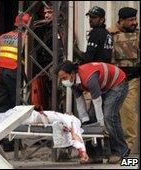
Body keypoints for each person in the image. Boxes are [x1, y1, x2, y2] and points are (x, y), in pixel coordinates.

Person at [57, 60, 130, 163]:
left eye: (64, 78)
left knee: (109, 116)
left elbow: (97, 103)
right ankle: (95, 155)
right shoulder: (73, 83)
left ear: (72, 74)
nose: (63, 81)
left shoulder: (89, 78)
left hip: (118, 84)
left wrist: (101, 125)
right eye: (61, 79)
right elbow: (80, 103)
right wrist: (85, 121)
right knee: (91, 118)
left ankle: (120, 151)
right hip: (104, 87)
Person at [107, 7, 140, 152]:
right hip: (112, 83)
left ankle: (129, 155)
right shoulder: (109, 34)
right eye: (131, 20)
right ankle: (114, 150)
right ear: (121, 21)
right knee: (110, 116)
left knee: (128, 114)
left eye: (135, 19)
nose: (134, 22)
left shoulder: (138, 36)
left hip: (132, 80)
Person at [0, 13, 31, 114]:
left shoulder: (3, 36)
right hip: (12, 70)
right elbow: (27, 57)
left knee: (0, 100)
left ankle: (1, 123)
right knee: (15, 101)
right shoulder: (25, 38)